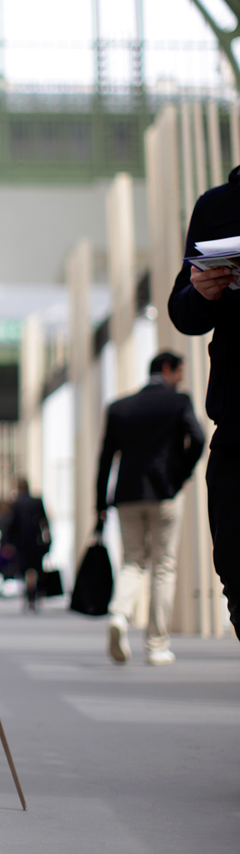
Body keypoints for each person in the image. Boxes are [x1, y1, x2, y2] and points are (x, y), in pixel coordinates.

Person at [97, 352, 204, 666]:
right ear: (167, 369)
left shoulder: (119, 407)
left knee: (133, 560)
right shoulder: (179, 401)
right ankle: (156, 645)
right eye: (179, 373)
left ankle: (119, 615)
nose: (180, 380)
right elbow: (198, 439)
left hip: (127, 495)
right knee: (164, 566)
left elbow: (105, 458)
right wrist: (179, 476)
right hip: (164, 493)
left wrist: (99, 503)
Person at [169, 172, 240, 643]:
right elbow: (182, 310)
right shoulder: (217, 206)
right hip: (235, 425)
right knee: (233, 568)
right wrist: (201, 292)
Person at [6, 478, 50, 612]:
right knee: (35, 569)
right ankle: (34, 594)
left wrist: (9, 542)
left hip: (22, 542)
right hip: (36, 540)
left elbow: (12, 525)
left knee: (25, 569)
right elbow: (44, 521)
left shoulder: (17, 503)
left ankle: (29, 595)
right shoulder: (37, 501)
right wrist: (48, 539)